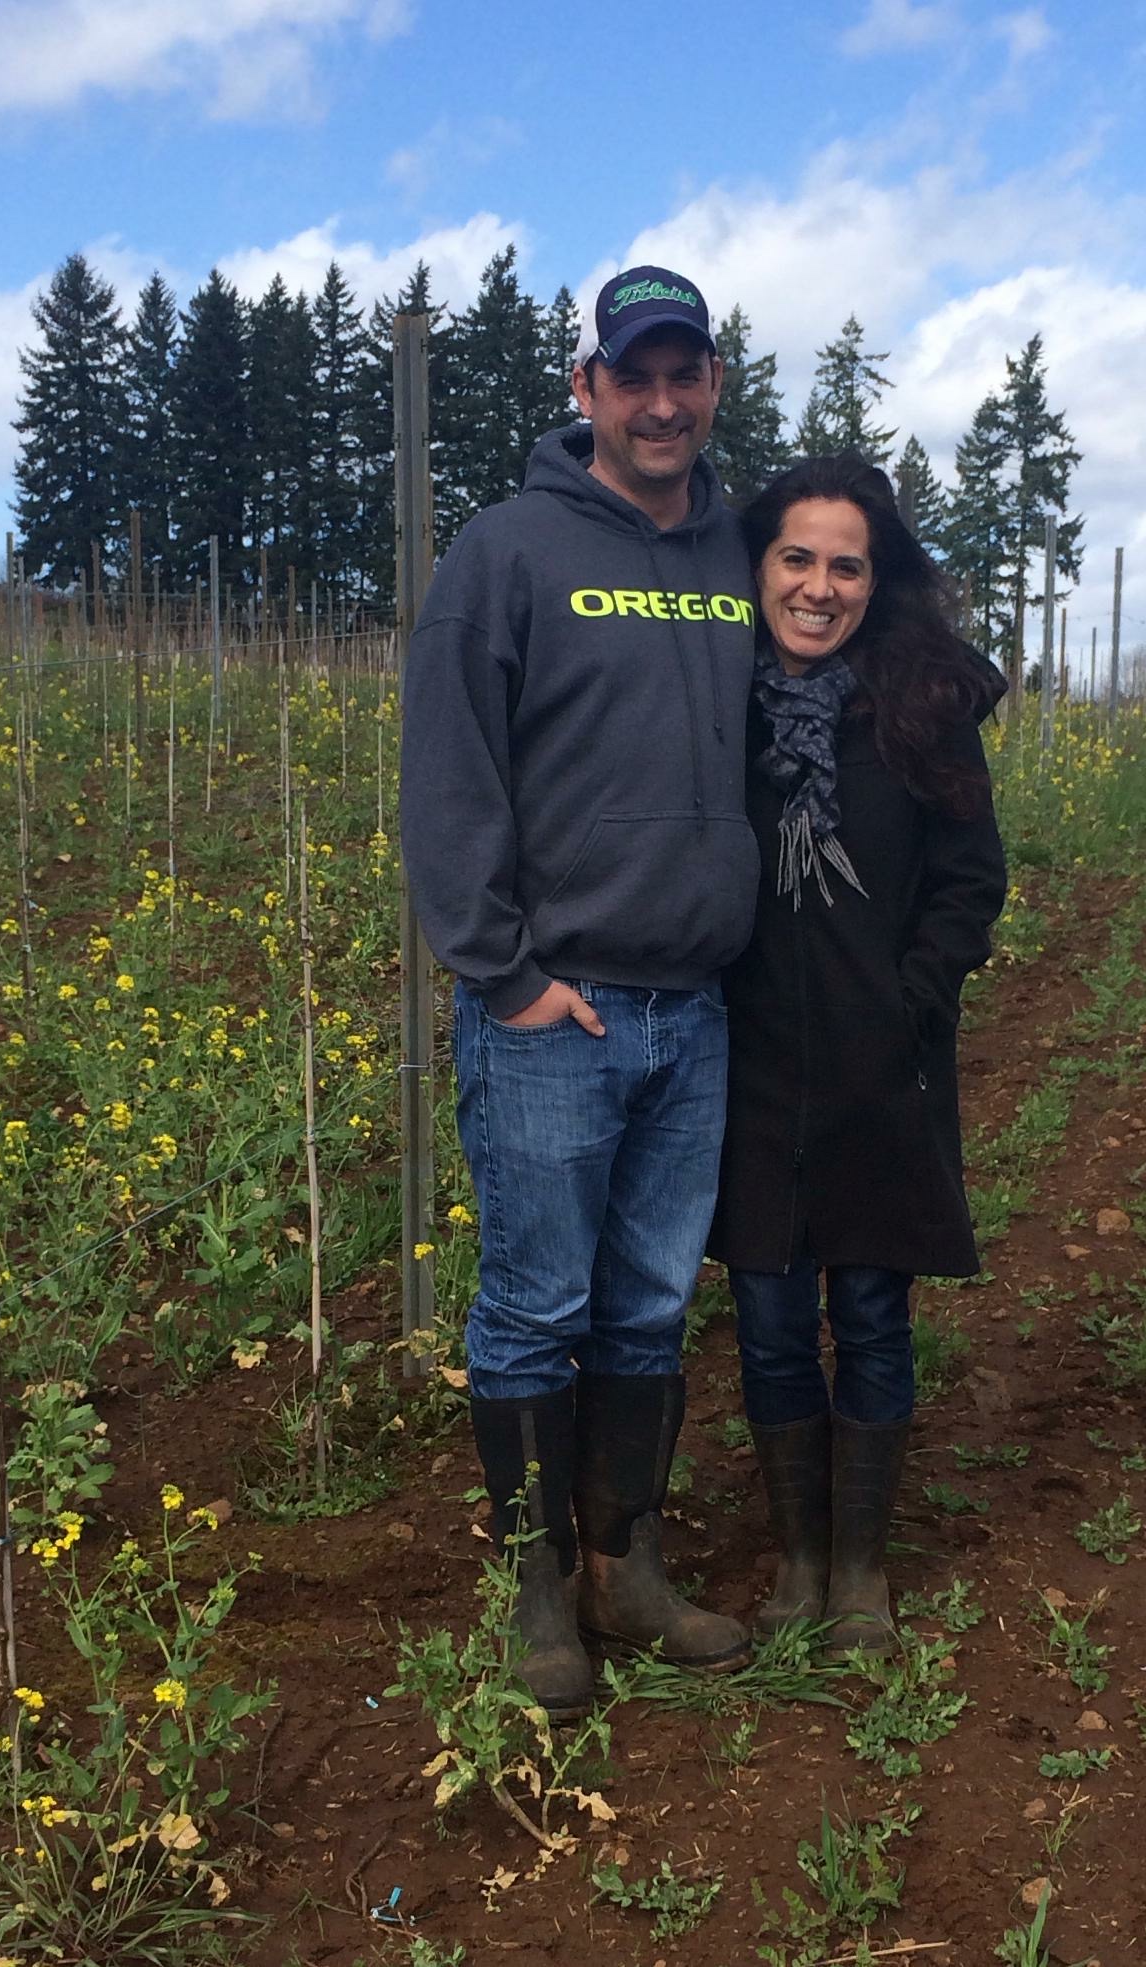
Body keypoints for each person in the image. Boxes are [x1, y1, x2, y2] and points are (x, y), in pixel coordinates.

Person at [400, 265, 761, 1718]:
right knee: (535, 1306)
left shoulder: (745, 551)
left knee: (648, 1305)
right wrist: (505, 976)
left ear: (712, 385)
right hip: (560, 1012)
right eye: (633, 375)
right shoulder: (507, 551)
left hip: (694, 1008)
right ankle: (536, 1583)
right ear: (586, 390)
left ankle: (626, 1564)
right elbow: (448, 776)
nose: (660, 400)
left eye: (684, 372)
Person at [708, 453, 1007, 1655]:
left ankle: (860, 1568)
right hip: (748, 1062)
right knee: (771, 1317)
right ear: (756, 566)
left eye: (845, 564)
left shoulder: (919, 703)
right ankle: (793, 1555)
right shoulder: (712, 699)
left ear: (874, 581)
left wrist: (910, 998)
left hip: (884, 1063)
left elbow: (968, 878)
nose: (818, 587)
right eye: (796, 558)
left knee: (873, 1313)